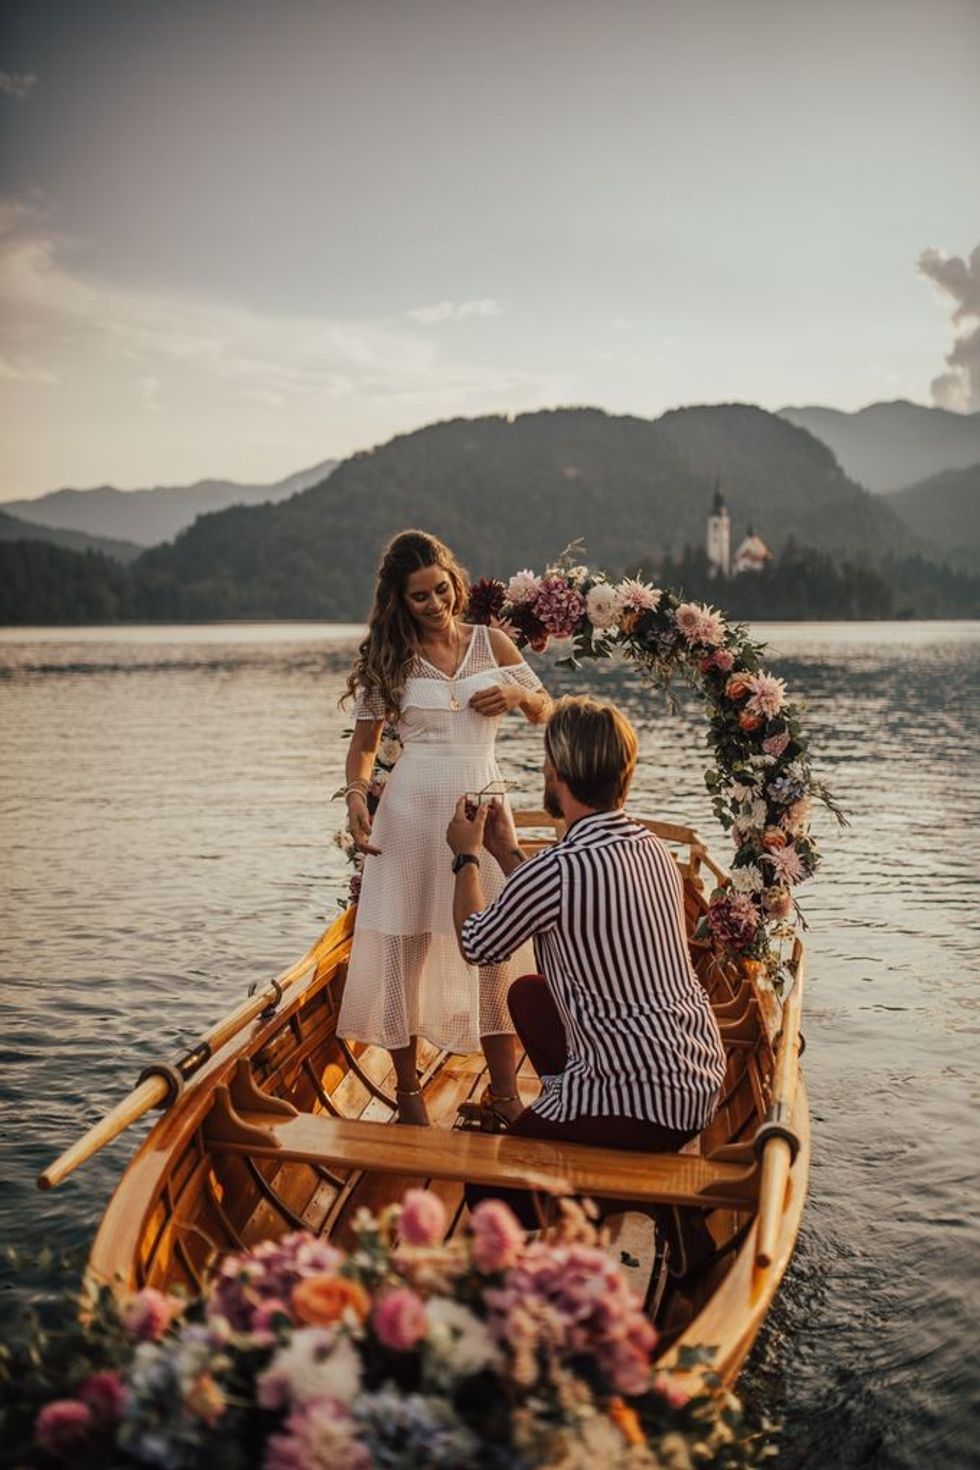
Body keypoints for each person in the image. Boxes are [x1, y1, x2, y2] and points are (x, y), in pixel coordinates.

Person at [446, 695, 726, 1156]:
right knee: (529, 995)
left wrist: (466, 856)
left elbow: (476, 944)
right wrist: (505, 850)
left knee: (489, 1191)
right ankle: (579, 1133)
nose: (542, 770)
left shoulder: (556, 870)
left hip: (640, 1106)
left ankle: (590, 1152)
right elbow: (568, 899)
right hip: (697, 1084)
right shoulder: (653, 849)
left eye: (546, 760)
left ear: (558, 772)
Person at [338, 529, 551, 1125]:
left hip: (481, 811)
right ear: (398, 602)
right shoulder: (390, 659)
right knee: (404, 946)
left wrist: (514, 692)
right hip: (408, 814)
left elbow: (547, 709)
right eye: (420, 596)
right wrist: (357, 795)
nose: (437, 603)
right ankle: (408, 1097)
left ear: (455, 581)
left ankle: (506, 1094)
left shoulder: (493, 643)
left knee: (494, 951)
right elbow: (364, 747)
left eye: (442, 588)